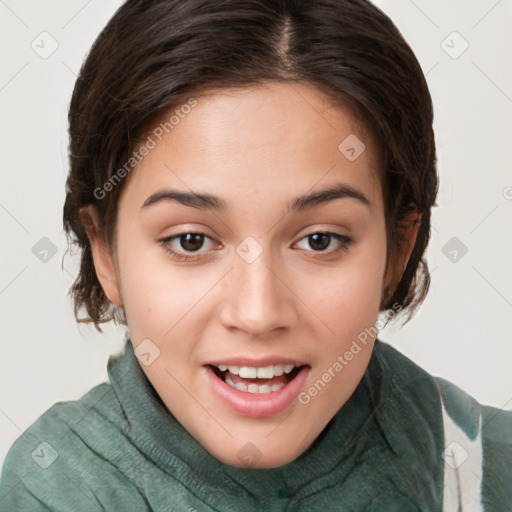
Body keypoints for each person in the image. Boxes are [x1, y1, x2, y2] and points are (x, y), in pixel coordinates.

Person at [0, 0, 510, 510]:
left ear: (397, 250)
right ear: (105, 252)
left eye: (320, 240)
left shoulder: (485, 465)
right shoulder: (56, 488)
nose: (258, 313)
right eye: (191, 240)